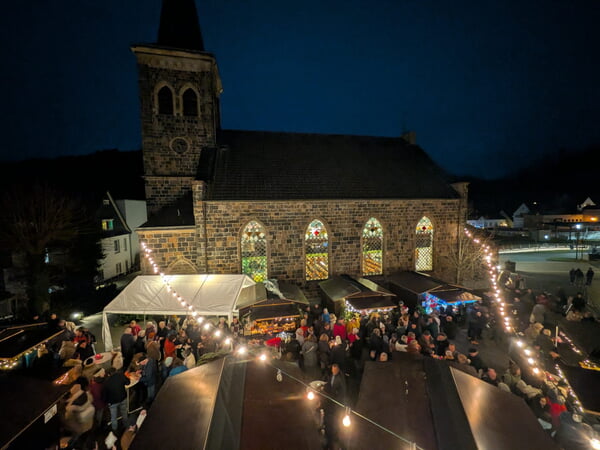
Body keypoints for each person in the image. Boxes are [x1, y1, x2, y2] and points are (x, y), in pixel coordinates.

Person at [62, 376, 95, 446]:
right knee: (86, 440)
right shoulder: (88, 396)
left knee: (76, 440)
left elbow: (67, 418)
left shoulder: (71, 407)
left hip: (79, 429)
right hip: (89, 424)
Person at [102, 367, 131, 434]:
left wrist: (107, 402)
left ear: (108, 374)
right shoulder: (120, 375)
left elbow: (104, 395)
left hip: (112, 402)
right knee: (124, 413)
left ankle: (115, 431)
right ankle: (126, 426)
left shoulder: (106, 382)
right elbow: (128, 382)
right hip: (123, 398)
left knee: (113, 417)